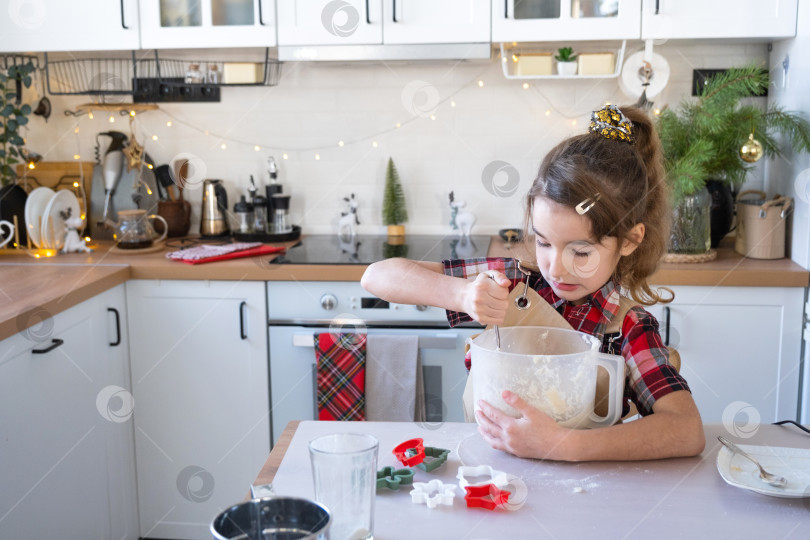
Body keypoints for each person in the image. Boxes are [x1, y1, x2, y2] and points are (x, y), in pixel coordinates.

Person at [361, 104, 706, 462]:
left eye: (581, 252)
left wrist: (565, 445)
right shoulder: (515, 285)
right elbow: (377, 275)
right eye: (543, 242)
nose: (556, 268)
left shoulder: (629, 328)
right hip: (489, 481)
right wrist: (461, 293)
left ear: (630, 241)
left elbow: (686, 429)